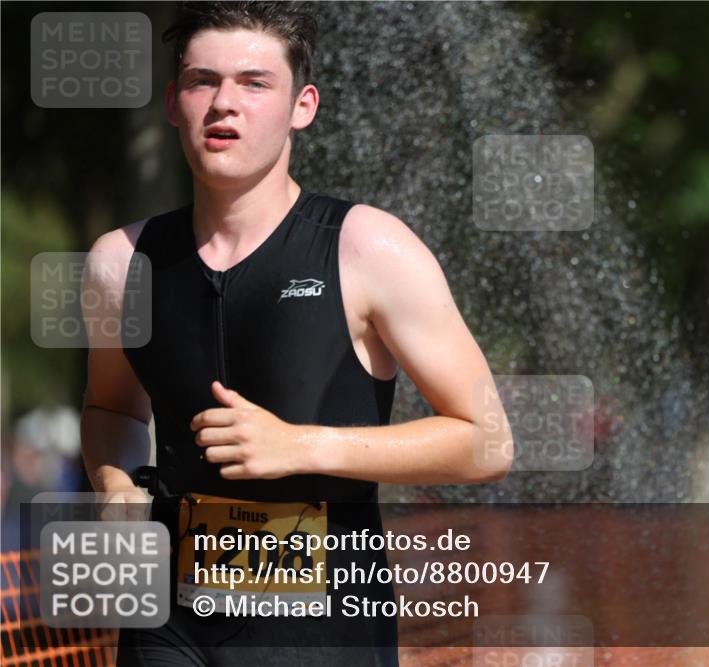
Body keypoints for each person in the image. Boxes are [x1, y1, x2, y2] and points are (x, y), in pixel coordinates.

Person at [78, 2, 513, 666]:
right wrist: (115, 483)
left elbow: (487, 441)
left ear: (302, 106)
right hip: (168, 622)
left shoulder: (368, 248)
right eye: (203, 81)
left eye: (255, 83)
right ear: (173, 103)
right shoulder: (119, 263)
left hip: (324, 630)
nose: (225, 103)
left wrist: (300, 444)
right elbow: (111, 408)